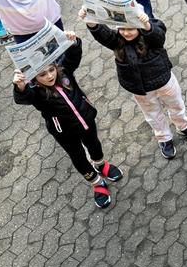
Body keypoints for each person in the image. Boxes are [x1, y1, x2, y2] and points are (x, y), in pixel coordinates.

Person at [13, 34, 124, 209]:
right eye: (42, 74)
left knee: (94, 145)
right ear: (34, 77)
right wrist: (20, 87)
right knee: (78, 157)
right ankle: (96, 182)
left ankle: (101, 165)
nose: (49, 76)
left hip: (86, 119)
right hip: (64, 133)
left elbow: (73, 56)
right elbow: (23, 97)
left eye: (51, 69)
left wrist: (73, 42)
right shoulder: (36, 93)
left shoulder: (64, 72)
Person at [84, 8, 187, 160]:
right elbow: (103, 34)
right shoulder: (117, 41)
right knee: (153, 115)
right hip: (141, 90)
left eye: (131, 28)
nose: (127, 33)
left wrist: (147, 25)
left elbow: (159, 36)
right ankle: (164, 138)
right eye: (123, 29)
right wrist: (92, 22)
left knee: (176, 105)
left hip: (164, 82)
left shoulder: (149, 34)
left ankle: (183, 126)